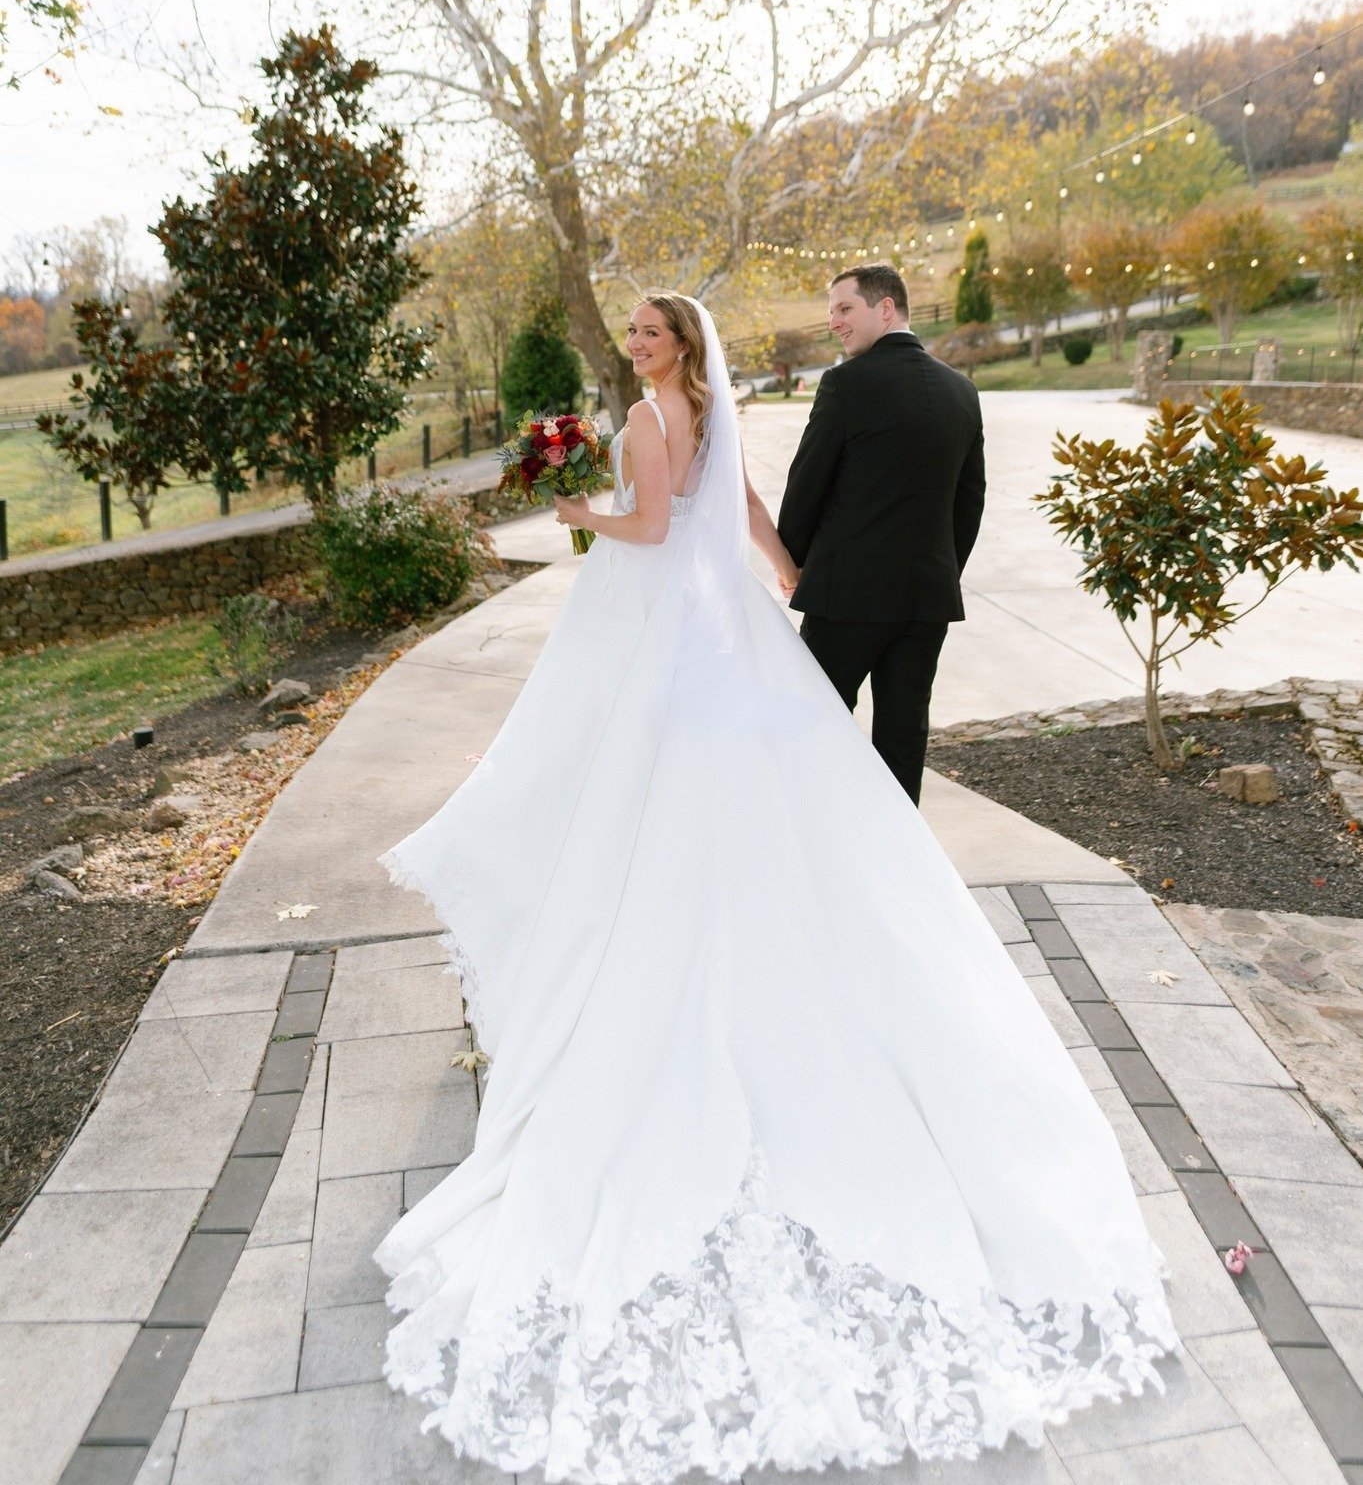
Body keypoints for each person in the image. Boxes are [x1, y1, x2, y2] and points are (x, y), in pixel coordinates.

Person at [373, 292, 1179, 1485]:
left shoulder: (655, 415)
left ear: (675, 346)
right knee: (812, 763)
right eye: (638, 337)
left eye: (650, 334)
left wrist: (578, 510)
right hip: (744, 619)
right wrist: (784, 572)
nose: (640, 348)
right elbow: (744, 506)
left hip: (666, 623)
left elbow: (652, 526)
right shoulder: (728, 404)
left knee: (636, 784)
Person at [779, 263, 985, 806]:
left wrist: (791, 563)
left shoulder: (846, 384)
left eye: (845, 309)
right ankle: (900, 865)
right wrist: (939, 571)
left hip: (847, 597)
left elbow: (807, 485)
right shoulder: (962, 391)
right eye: (832, 313)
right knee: (904, 735)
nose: (835, 323)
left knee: (809, 718)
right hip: (927, 600)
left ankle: (820, 837)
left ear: (885, 308)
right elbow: (970, 502)